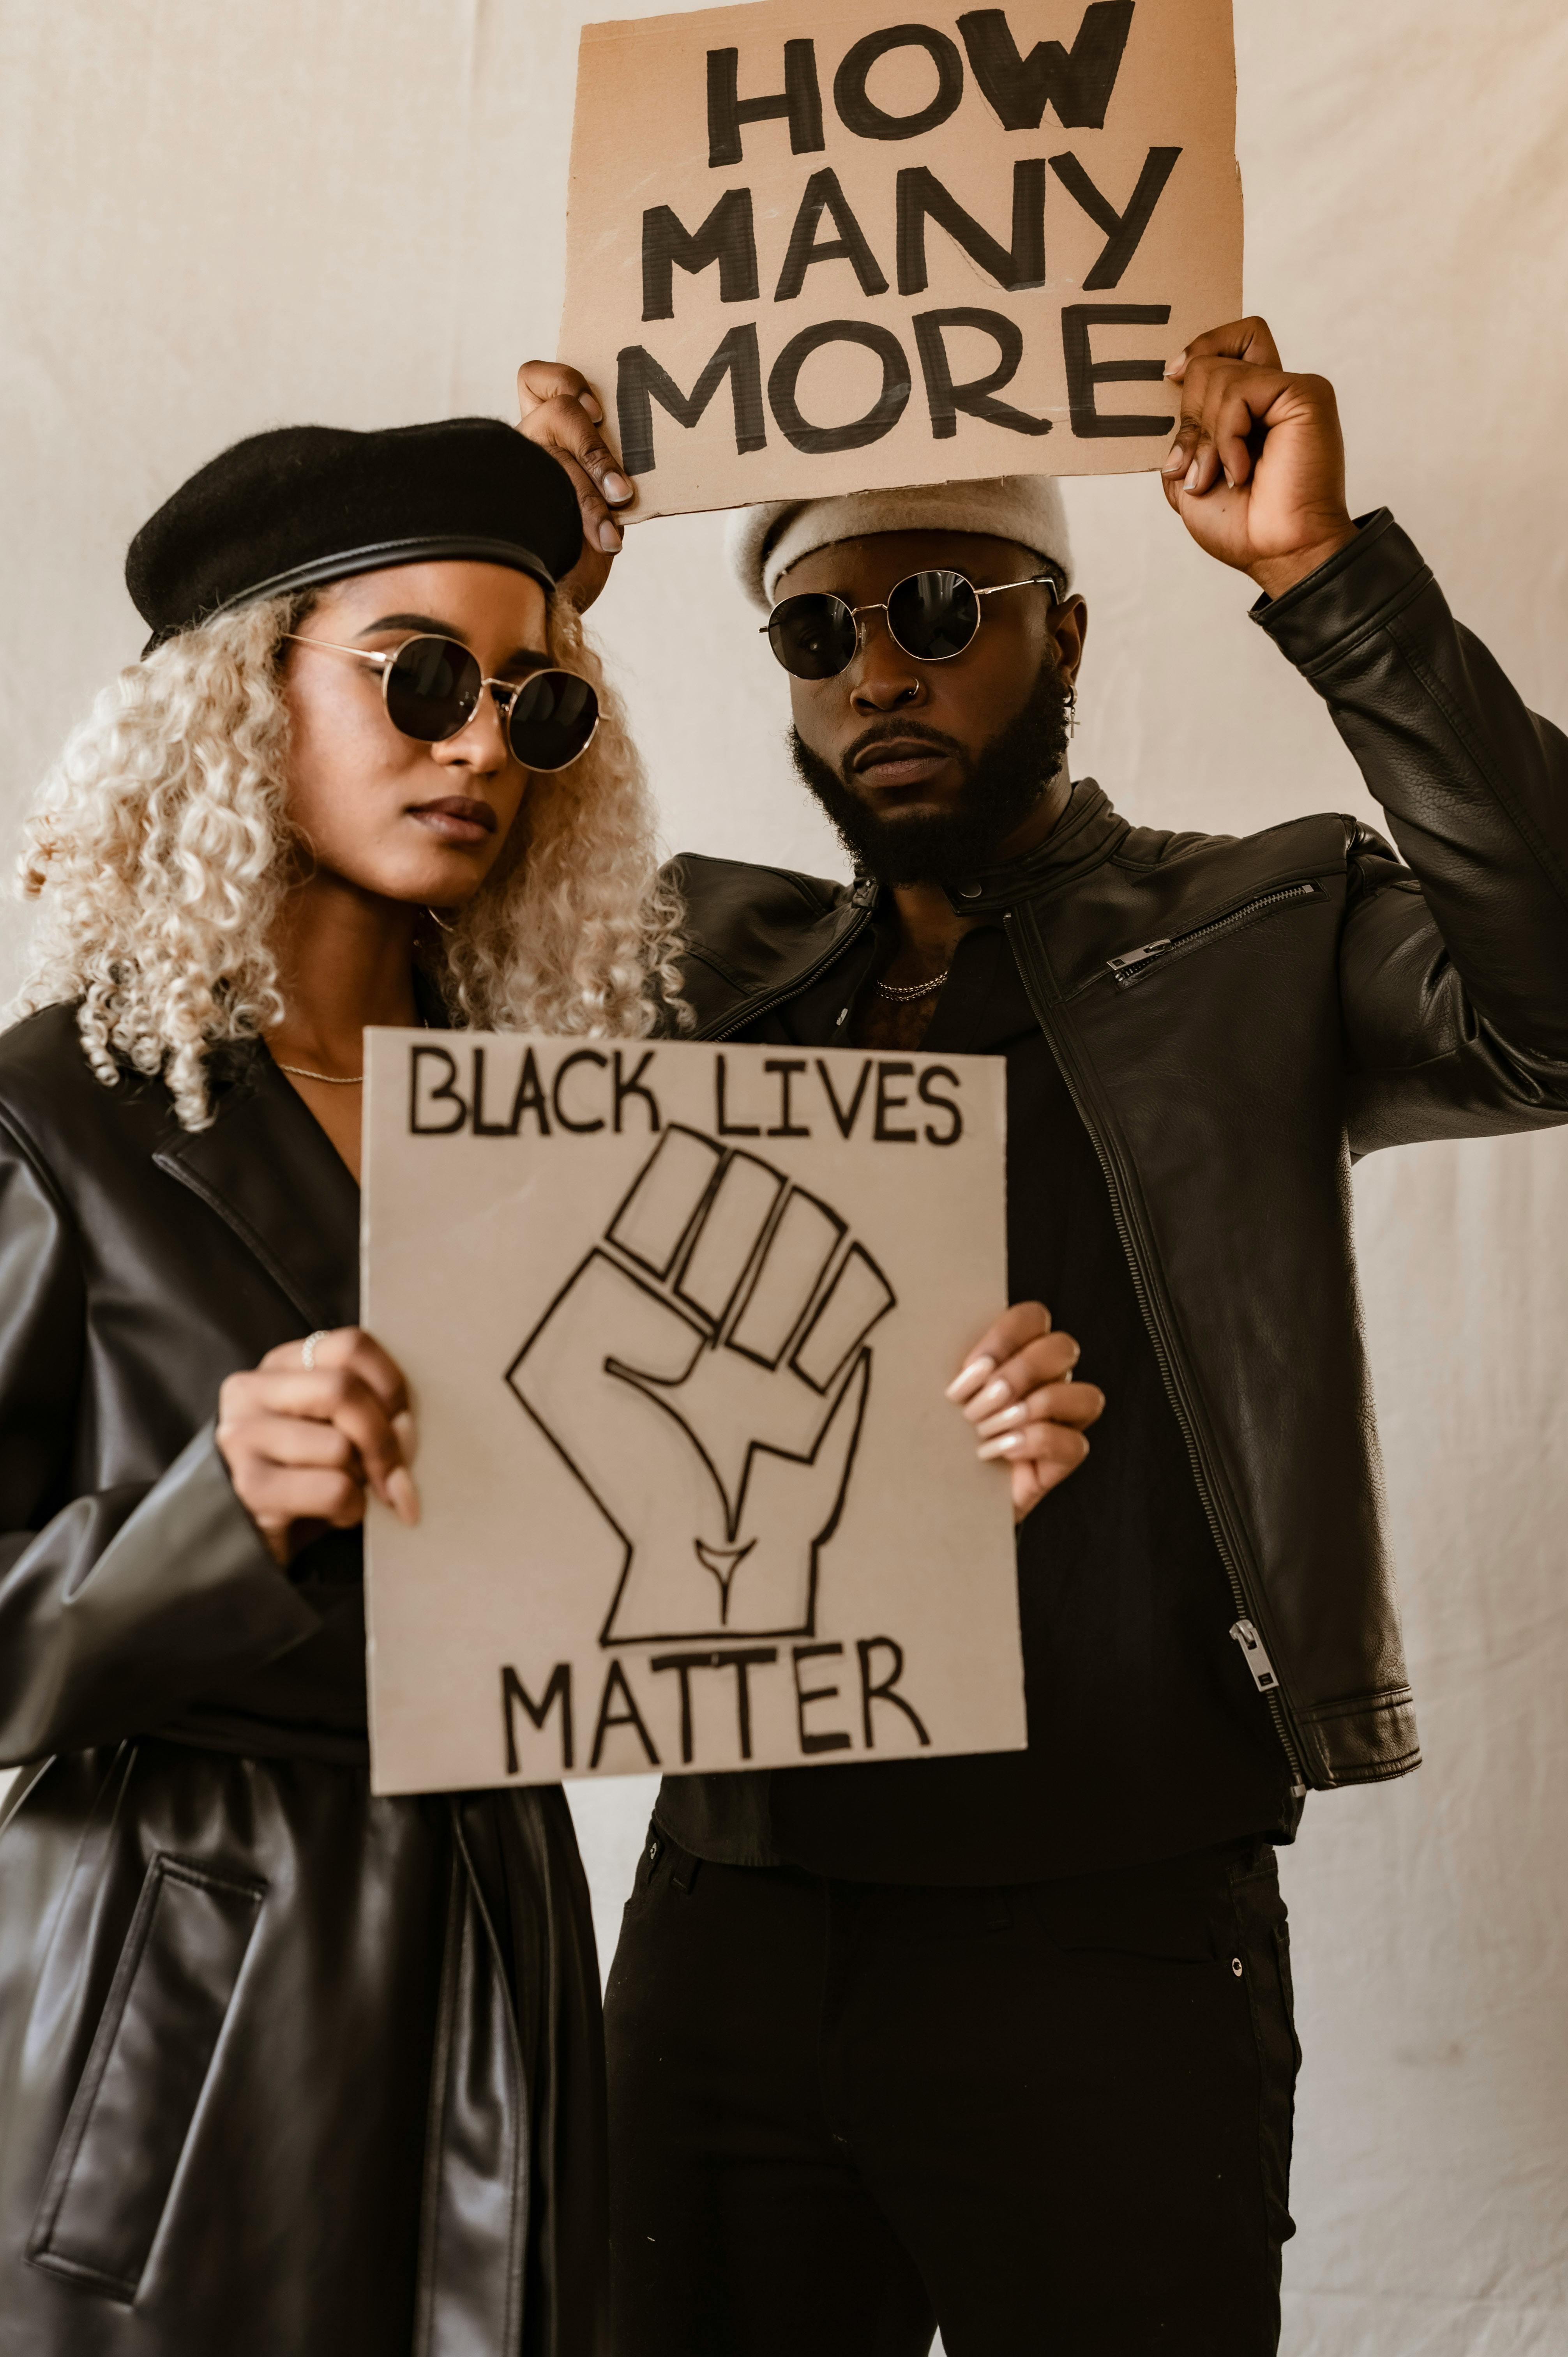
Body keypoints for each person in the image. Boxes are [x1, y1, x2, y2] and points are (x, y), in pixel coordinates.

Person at [518, 316, 1568, 2356]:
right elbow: (380, 991)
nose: (878, 675)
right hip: (732, 1911)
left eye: (930, 608)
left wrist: (1324, 584)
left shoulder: (1256, 929)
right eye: (816, 640)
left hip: (1109, 1927)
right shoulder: (686, 964)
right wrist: (525, 607)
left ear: (1062, 632)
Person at [0, 418, 676, 2357]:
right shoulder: (58, 1116)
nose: (477, 743)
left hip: (502, 1934)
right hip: (184, 1995)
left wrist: (938, 1463)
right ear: (236, 697)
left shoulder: (573, 1128)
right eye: (422, 678)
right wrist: (211, 1511)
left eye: (531, 705)